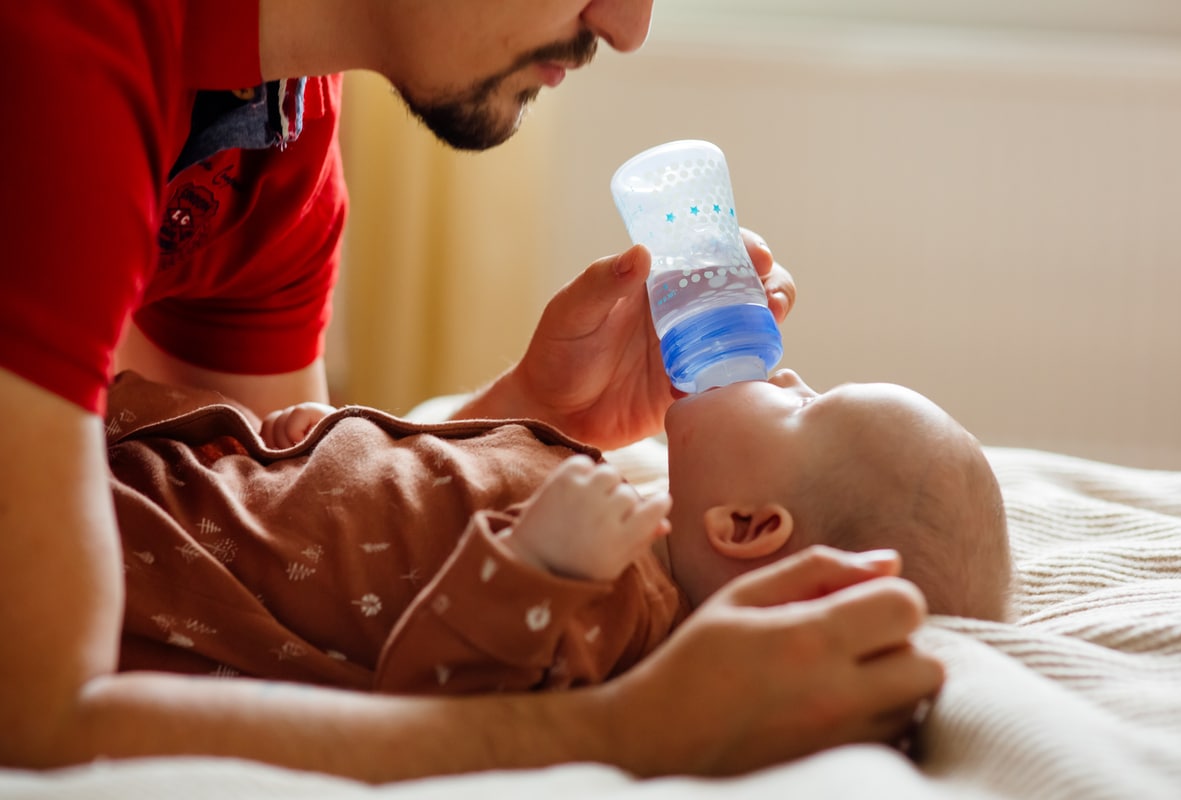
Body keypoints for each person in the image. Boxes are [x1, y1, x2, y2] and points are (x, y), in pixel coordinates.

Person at [0, 0, 938, 784]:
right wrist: (626, 735)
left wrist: (527, 414)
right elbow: (36, 714)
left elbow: (274, 528)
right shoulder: (57, 56)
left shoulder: (274, 132)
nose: (627, 22)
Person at [107, 365, 1005, 698]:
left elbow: (444, 701)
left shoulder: (613, 613)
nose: (790, 372)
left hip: (168, 562)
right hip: (219, 469)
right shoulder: (626, 530)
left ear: (745, 526)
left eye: (804, 404)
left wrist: (538, 567)